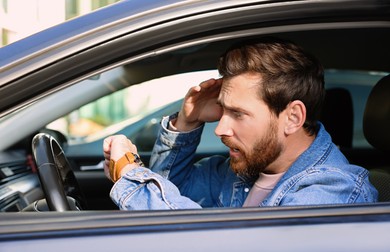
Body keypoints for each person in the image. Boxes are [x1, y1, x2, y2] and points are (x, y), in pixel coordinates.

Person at [103, 37, 378, 210]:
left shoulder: (332, 191)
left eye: (238, 113)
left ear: (293, 117)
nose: (221, 128)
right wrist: (187, 122)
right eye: (223, 110)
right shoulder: (242, 168)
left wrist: (129, 174)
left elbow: (229, 251)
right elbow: (169, 190)